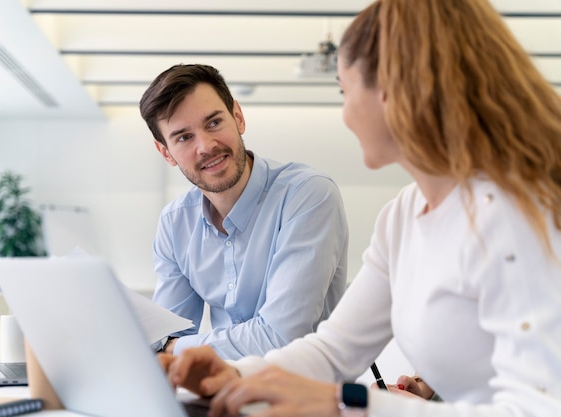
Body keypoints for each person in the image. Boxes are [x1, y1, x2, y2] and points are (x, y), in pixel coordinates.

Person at [162, 0, 561, 416]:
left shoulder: (517, 211)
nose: (345, 113)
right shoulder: (404, 215)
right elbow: (335, 349)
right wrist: (237, 376)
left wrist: (352, 403)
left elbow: (540, 409)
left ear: (394, 92)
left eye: (344, 90)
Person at [139, 64, 349, 359]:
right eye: (184, 137)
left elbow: (281, 337)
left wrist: (177, 349)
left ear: (238, 117)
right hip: (218, 394)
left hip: (301, 396)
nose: (206, 146)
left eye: (213, 123)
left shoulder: (307, 195)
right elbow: (168, 337)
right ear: (165, 152)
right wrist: (171, 347)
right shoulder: (176, 223)